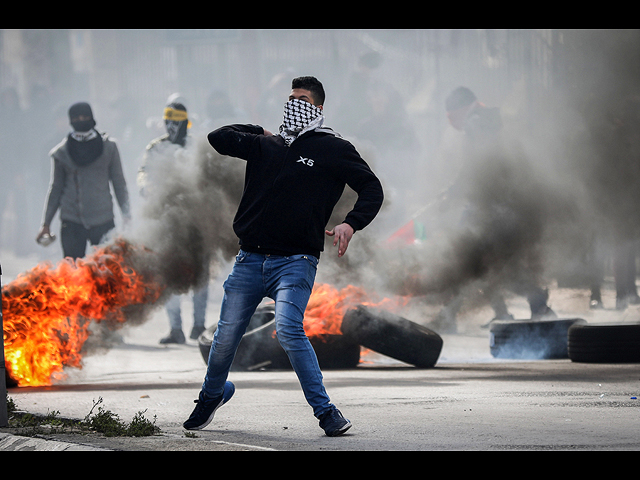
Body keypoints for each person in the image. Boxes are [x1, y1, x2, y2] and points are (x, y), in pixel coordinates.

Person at [183, 76, 384, 437]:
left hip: (295, 262)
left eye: (302, 99)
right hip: (249, 261)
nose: (293, 104)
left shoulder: (332, 148)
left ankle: (327, 413)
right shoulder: (267, 144)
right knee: (225, 336)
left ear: (318, 108)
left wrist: (351, 224)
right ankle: (212, 395)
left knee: (288, 330)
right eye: (290, 98)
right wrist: (257, 128)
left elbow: (372, 187)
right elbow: (219, 138)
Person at [432, 87, 555, 331]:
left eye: (451, 116)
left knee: (466, 255)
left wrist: (454, 192)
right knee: (488, 260)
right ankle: (528, 307)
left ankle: (450, 315)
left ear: (459, 110)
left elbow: (478, 165)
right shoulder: (492, 119)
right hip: (502, 202)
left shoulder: (477, 123)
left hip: (490, 204)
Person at [137, 102, 210, 344]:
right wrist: (145, 187)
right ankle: (175, 328)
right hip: (167, 220)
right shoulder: (156, 147)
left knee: (200, 273)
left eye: (177, 122)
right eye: (169, 122)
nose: (172, 127)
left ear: (185, 123)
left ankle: (199, 325)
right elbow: (144, 172)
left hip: (196, 219)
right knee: (168, 273)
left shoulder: (195, 146)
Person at [36, 102, 130, 259]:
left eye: (85, 117)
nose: (81, 120)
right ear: (71, 121)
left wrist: (127, 215)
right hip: (72, 220)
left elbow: (119, 183)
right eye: (77, 118)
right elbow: (56, 189)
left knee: (106, 270)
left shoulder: (109, 148)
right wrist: (46, 224)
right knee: (73, 273)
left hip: (103, 219)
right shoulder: (61, 153)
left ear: (92, 118)